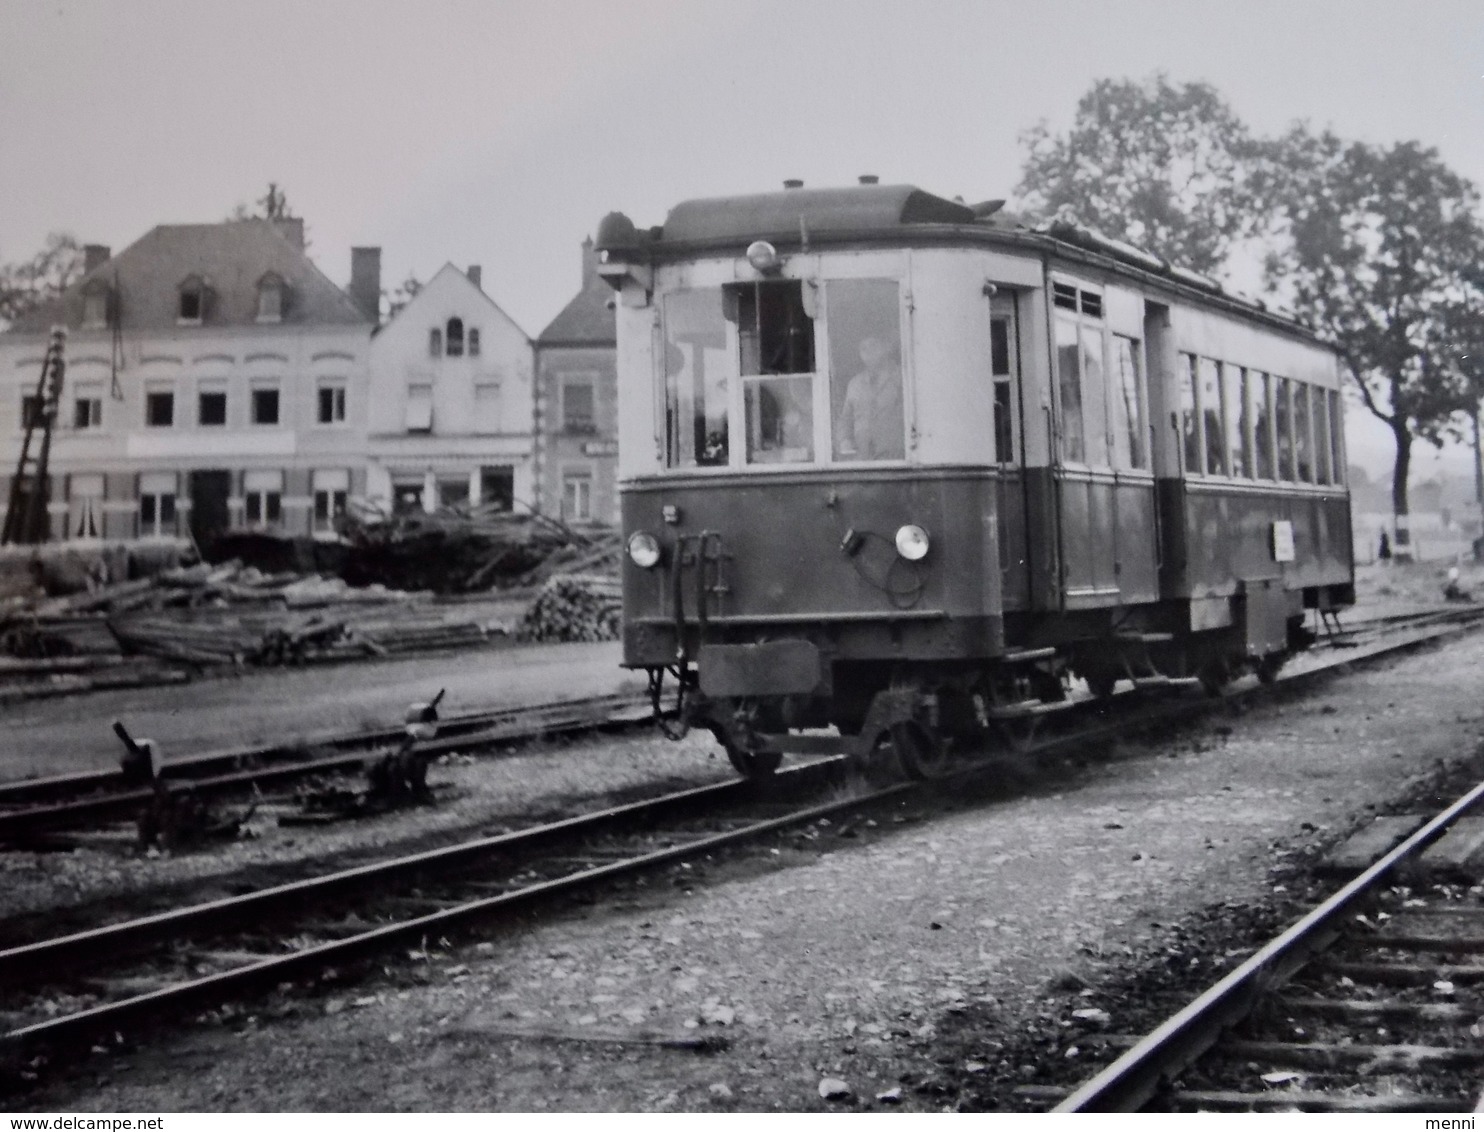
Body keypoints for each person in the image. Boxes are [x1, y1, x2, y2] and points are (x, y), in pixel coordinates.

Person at [837, 335, 904, 460]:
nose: (868, 352)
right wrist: (845, 439)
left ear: (884, 348)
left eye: (873, 345)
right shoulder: (854, 384)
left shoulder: (900, 377)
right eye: (863, 348)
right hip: (864, 457)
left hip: (894, 456)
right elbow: (846, 419)